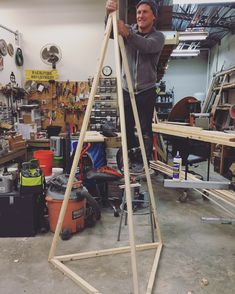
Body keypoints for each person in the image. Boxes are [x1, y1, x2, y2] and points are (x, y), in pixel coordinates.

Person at [106, 0, 165, 171]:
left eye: (145, 12)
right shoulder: (128, 30)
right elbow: (110, 32)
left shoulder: (158, 37)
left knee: (145, 129)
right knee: (126, 127)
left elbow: (147, 46)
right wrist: (108, 14)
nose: (140, 16)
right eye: (138, 12)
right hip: (126, 88)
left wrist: (129, 35)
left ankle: (143, 162)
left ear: (154, 16)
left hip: (146, 90)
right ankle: (129, 158)